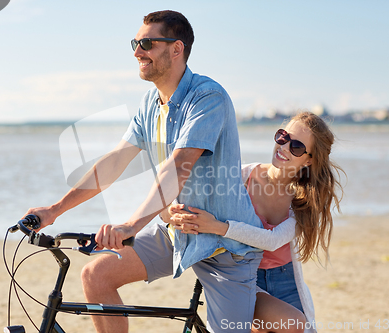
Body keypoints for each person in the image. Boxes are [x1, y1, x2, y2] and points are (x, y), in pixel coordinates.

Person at [24, 10, 265, 333]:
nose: (137, 51)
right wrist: (54, 209)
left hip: (225, 246)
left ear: (176, 49)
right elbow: (114, 162)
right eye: (135, 43)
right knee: (96, 276)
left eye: (147, 43)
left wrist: (130, 225)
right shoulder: (150, 103)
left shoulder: (208, 97)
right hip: (175, 232)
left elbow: (178, 166)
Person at [167, 112, 345, 333]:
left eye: (296, 147)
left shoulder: (305, 201)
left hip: (286, 280)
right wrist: (174, 207)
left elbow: (272, 240)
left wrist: (217, 227)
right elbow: (202, 191)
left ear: (309, 160)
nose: (284, 147)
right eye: (282, 137)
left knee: (300, 327)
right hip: (246, 275)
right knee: (292, 324)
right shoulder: (242, 177)